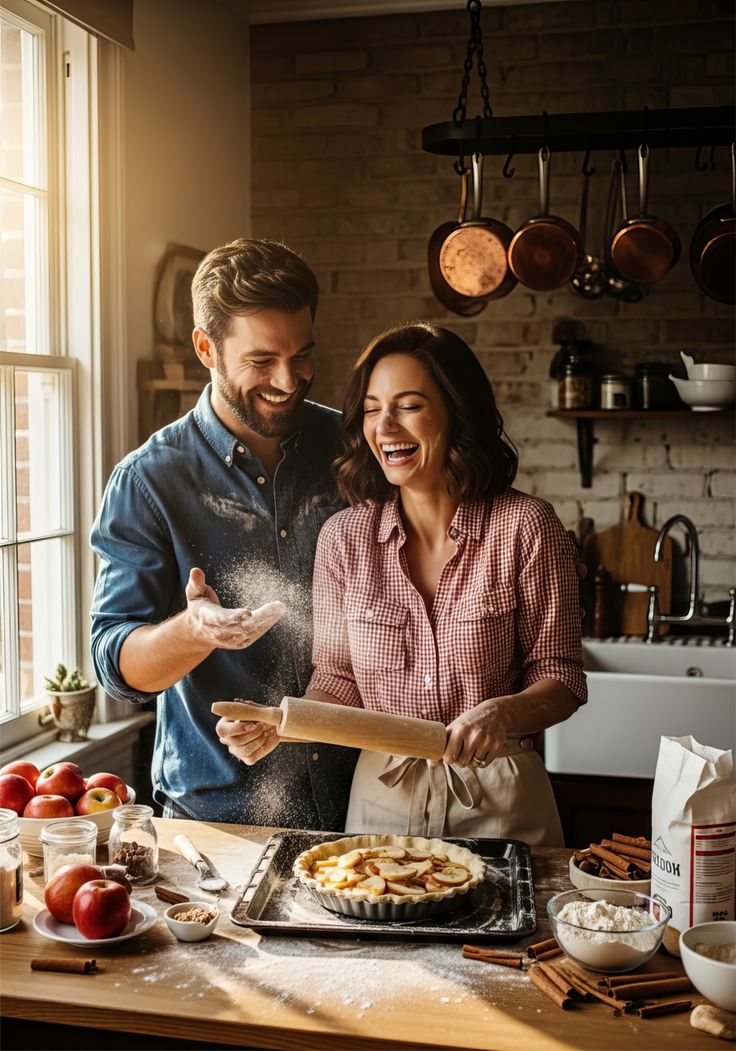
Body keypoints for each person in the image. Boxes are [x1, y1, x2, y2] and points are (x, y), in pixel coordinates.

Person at [235, 323, 587, 845]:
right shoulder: (344, 539)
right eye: (373, 409)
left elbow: (561, 678)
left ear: (456, 413)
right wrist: (283, 724)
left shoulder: (525, 527)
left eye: (409, 405)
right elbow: (338, 678)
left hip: (500, 802)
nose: (386, 427)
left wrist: (501, 712)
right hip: (383, 802)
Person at [89, 238, 356, 827]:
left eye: (303, 354)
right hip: (216, 815)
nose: (289, 381)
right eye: (262, 362)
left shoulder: (353, 452)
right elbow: (116, 666)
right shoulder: (149, 480)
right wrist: (194, 631)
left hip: (360, 799)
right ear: (206, 349)